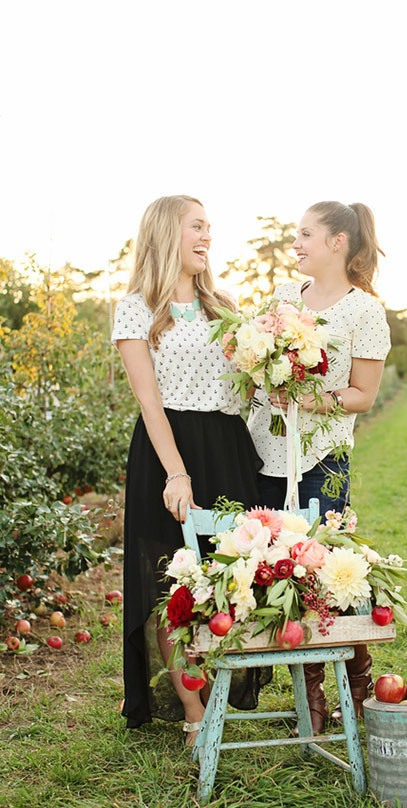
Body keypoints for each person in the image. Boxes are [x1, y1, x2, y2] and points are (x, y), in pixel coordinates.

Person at [112, 195, 263, 747]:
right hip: (166, 452)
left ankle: (223, 686)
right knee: (171, 589)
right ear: (165, 233)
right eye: (196, 226)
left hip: (226, 447)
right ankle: (194, 709)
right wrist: (176, 475)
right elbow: (149, 403)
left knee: (231, 577)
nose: (207, 236)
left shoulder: (224, 305)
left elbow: (247, 384)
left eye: (209, 228)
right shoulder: (135, 309)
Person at [248, 200, 391, 733]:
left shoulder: (364, 311)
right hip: (267, 451)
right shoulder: (285, 297)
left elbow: (363, 395)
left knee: (326, 570)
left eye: (305, 234)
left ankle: (356, 689)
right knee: (282, 569)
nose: (296, 244)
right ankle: (310, 699)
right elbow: (258, 361)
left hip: (322, 456)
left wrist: (312, 400)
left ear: (338, 242)